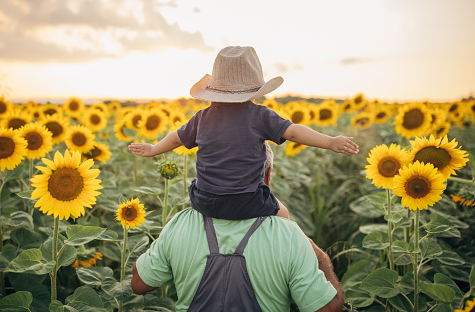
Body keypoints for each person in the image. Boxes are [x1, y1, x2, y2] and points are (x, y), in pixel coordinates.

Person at [129, 46, 359, 221]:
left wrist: (153, 149)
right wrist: (330, 141)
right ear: (256, 91)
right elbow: (294, 133)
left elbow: (176, 138)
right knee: (285, 216)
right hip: (246, 201)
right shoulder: (259, 115)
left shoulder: (201, 117)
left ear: (215, 91)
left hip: (204, 200)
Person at [131, 141, 345, 311]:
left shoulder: (181, 223)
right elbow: (327, 308)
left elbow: (139, 283)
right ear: (267, 177)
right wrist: (319, 256)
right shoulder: (288, 235)